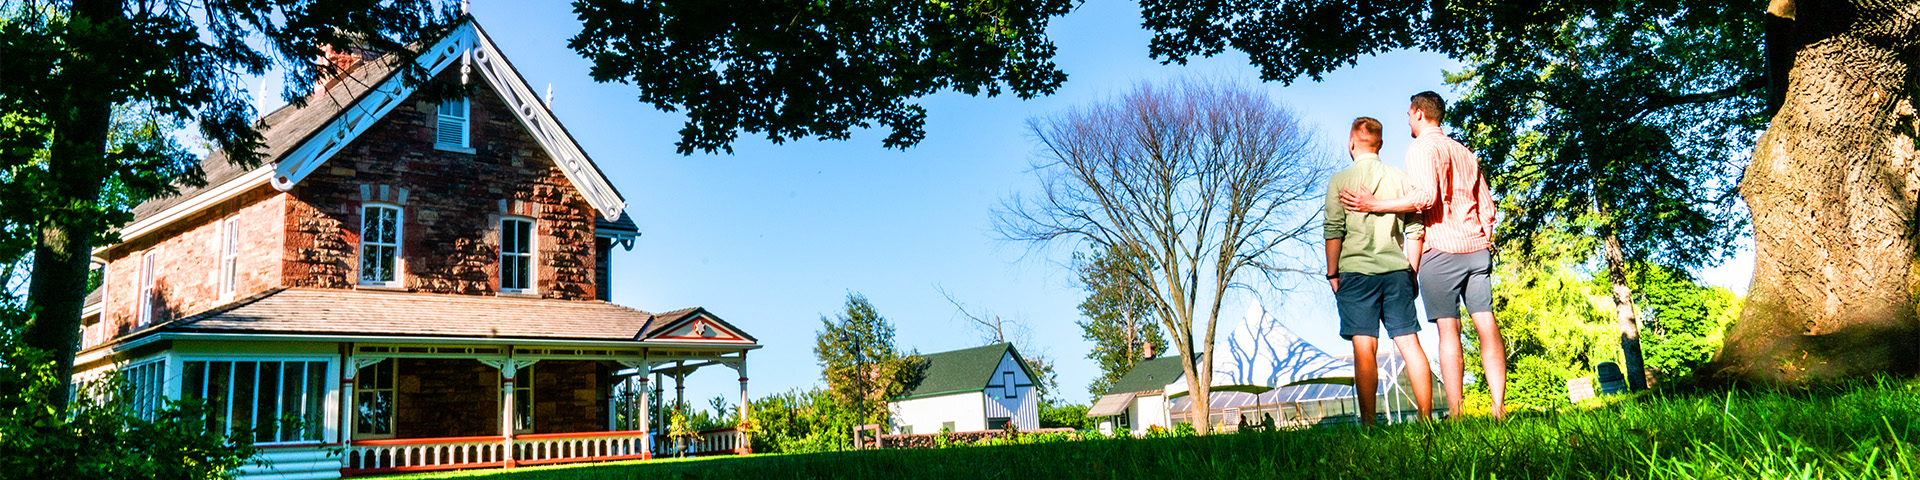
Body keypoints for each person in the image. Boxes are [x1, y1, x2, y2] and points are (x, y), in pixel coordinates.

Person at [1341, 92, 1507, 420]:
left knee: (1449, 330)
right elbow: (1488, 208)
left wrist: (1373, 205)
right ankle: (1498, 408)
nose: (1407, 120)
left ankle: (1458, 413)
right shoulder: (1464, 152)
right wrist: (1482, 240)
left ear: (1418, 113)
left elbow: (1424, 197)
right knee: (1487, 324)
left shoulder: (1420, 148)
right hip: (1476, 248)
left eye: (1408, 114)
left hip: (1440, 250)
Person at [1324, 116, 1434, 426]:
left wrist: (1333, 274)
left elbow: (1334, 230)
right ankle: (1426, 421)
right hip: (1396, 270)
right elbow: (1415, 229)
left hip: (1355, 274)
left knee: (1364, 347)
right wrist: (1411, 270)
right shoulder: (1401, 178)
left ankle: (1370, 424)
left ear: (1351, 143)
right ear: (1381, 144)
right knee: (1410, 343)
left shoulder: (1339, 181)